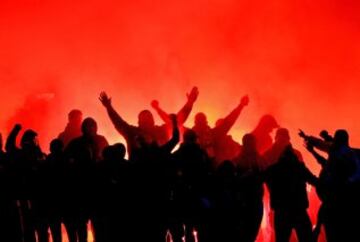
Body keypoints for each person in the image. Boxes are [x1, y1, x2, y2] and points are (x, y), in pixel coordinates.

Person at [99, 88, 197, 159]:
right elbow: (118, 122)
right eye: (144, 118)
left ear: (153, 121)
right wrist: (109, 107)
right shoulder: (132, 132)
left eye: (149, 117)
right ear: (139, 122)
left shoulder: (160, 131)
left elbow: (177, 120)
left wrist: (190, 103)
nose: (147, 120)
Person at [64, 117, 109, 242]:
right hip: (81, 188)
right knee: (81, 224)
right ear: (83, 128)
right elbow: (66, 159)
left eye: (93, 126)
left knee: (99, 223)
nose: (90, 128)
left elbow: (108, 157)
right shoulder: (75, 143)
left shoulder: (101, 140)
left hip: (98, 187)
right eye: (88, 126)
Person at [264, 145, 318, 242]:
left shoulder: (274, 169)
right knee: (306, 238)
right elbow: (314, 181)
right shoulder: (299, 167)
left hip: (281, 211)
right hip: (299, 210)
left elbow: (261, 178)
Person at [235, 134, 265, 242]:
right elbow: (234, 182)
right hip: (243, 202)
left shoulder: (260, 159)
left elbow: (266, 175)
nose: (252, 145)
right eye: (250, 143)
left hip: (256, 201)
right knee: (244, 234)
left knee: (251, 234)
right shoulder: (238, 160)